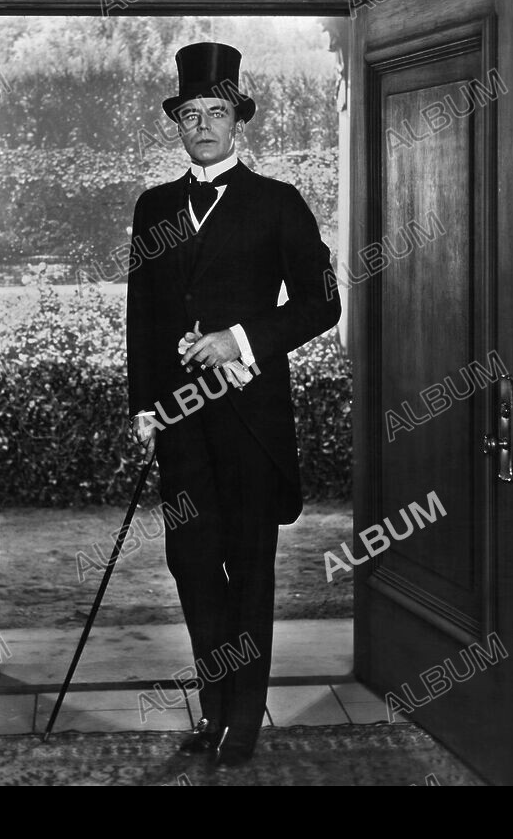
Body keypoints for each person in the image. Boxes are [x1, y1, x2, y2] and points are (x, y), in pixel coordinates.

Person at [126, 42, 341, 767]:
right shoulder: (153, 207)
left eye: (217, 112)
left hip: (252, 425)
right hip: (182, 424)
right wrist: (143, 406)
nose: (204, 125)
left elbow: (322, 304)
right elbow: (142, 316)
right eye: (191, 114)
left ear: (237, 120)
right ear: (178, 124)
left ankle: (243, 722)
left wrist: (240, 338)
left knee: (248, 573)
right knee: (192, 568)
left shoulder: (278, 203)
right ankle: (214, 710)